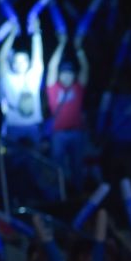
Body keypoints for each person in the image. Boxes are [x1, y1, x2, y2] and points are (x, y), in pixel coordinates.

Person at [45, 33, 90, 193]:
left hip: (77, 133)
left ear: (73, 75)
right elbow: (51, 68)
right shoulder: (53, 88)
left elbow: (85, 69)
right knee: (57, 167)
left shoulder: (78, 88)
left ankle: (78, 194)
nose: (66, 76)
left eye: (70, 73)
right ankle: (58, 195)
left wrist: (79, 50)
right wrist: (61, 45)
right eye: (63, 73)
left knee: (78, 167)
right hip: (58, 135)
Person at [0, 20, 44, 146]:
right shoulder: (8, 79)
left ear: (28, 63)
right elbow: (1, 59)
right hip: (13, 127)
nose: (20, 64)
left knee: (35, 163)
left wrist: (36, 33)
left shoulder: (34, 76)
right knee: (14, 162)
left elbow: (38, 56)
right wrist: (11, 34)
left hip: (33, 127)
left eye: (23, 61)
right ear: (13, 63)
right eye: (17, 61)